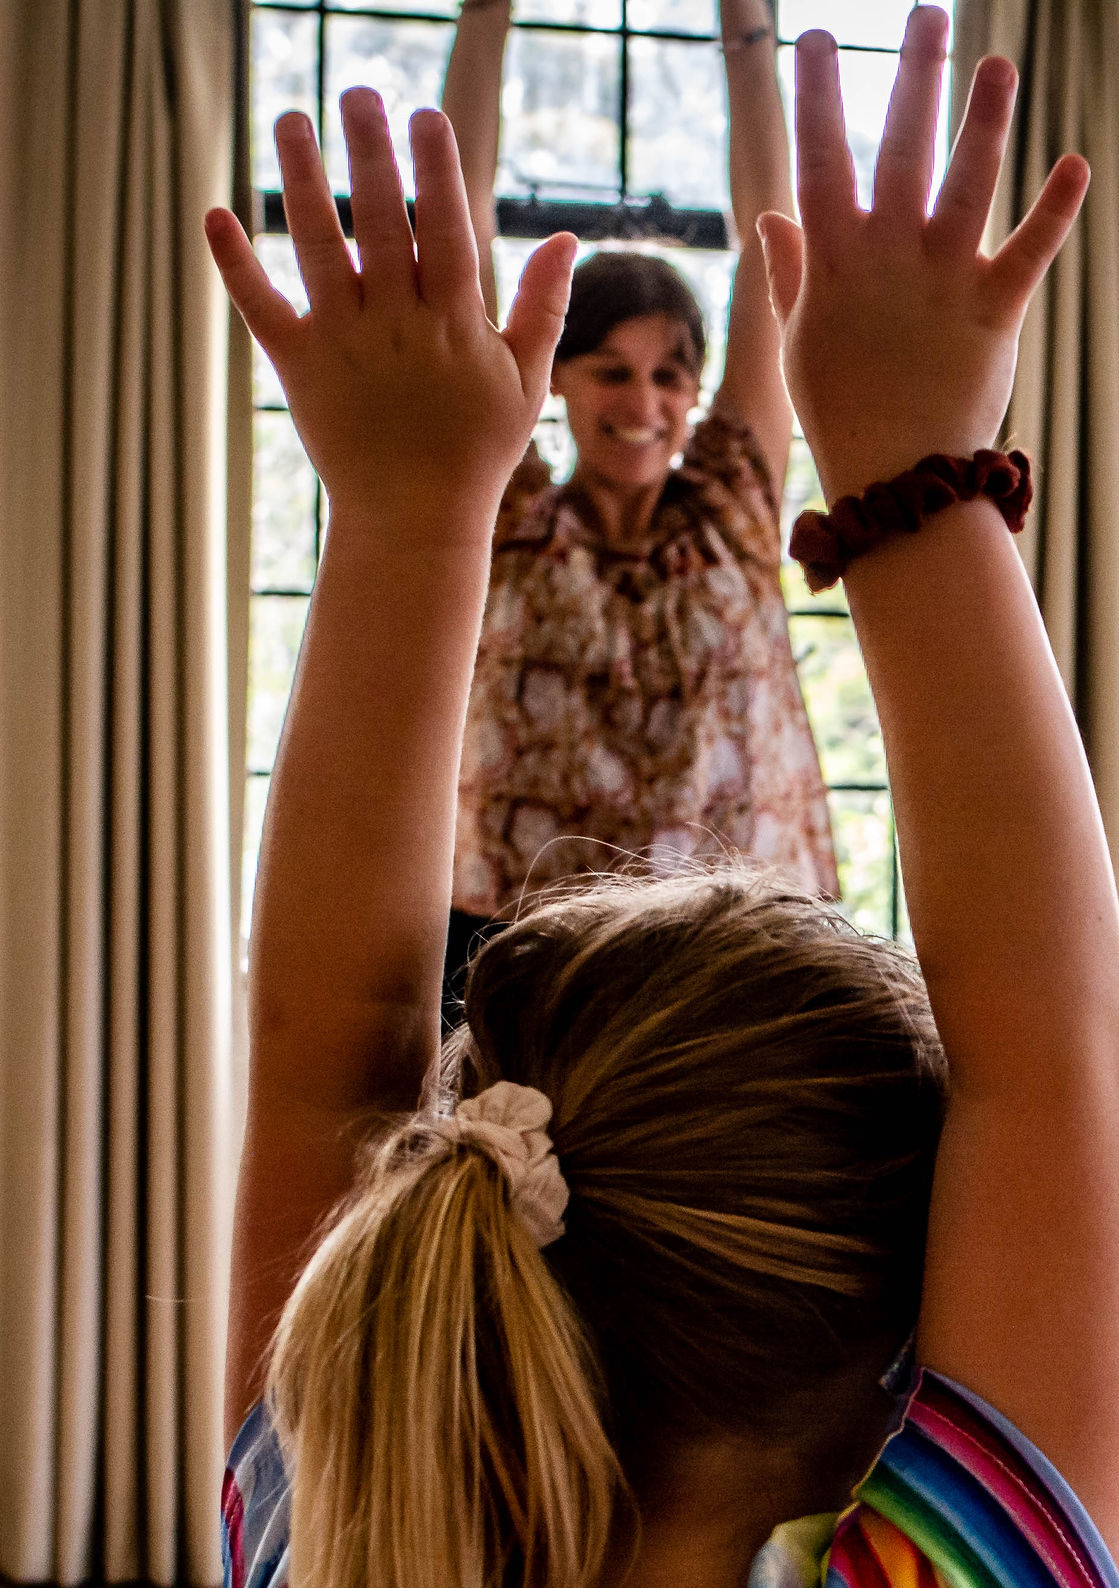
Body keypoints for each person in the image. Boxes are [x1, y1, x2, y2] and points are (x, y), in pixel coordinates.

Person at [203, 13, 1119, 1588]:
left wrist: (407, 498)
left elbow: (329, 1036)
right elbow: (1055, 1041)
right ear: (894, 1346)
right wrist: (924, 457)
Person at [436, 0, 832, 1019]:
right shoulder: (517, 512)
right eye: (610, 370)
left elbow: (769, 248)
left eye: (668, 374)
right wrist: (485, 21)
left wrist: (749, 37)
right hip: (521, 947)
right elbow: (463, 238)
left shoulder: (731, 506)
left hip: (735, 950)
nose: (643, 404)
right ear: (558, 380)